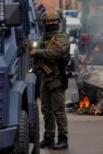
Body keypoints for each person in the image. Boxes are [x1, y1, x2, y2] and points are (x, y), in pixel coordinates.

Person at [29, 10, 70, 150]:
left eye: (53, 21)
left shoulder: (61, 37)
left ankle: (63, 139)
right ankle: (49, 138)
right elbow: (36, 50)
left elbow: (58, 51)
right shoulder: (44, 38)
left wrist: (38, 52)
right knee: (46, 111)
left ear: (58, 22)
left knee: (59, 111)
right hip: (46, 78)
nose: (51, 24)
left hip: (57, 78)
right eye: (48, 22)